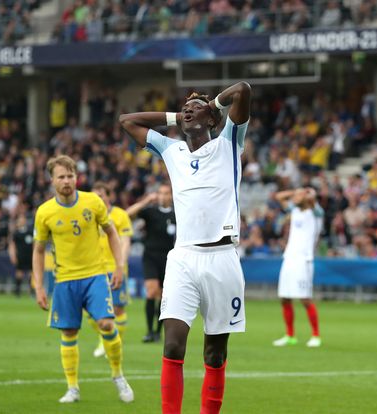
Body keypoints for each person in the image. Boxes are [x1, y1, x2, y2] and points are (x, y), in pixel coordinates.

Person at [120, 81, 252, 414]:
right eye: (186, 105)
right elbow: (127, 121)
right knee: (173, 345)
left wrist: (215, 104)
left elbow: (243, 89)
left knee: (214, 355)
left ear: (212, 118)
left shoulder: (229, 142)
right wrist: (176, 116)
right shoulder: (171, 149)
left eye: (198, 105)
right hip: (183, 259)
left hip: (222, 259)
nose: (190, 107)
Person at [31, 155, 134, 404]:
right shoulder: (44, 212)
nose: (67, 181)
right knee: (68, 332)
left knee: (107, 325)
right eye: (61, 177)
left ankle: (118, 375)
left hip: (95, 275)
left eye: (70, 176)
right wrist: (39, 286)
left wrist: (119, 266)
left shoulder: (93, 201)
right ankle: (73, 388)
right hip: (64, 279)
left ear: (76, 177)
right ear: (52, 180)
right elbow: (38, 250)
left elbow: (112, 233)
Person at [125, 183, 176, 343]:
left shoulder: (177, 215)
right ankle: (149, 331)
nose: (162, 196)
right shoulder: (151, 212)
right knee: (151, 291)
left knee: (163, 295)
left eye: (166, 193)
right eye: (160, 193)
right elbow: (127, 214)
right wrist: (146, 200)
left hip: (168, 258)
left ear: (171, 196)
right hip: (150, 256)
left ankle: (157, 332)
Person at [272, 188, 323, 348]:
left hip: (304, 260)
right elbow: (279, 196)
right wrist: (296, 192)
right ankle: (290, 335)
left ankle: (315, 335)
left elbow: (313, 200)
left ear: (308, 197)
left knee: (305, 298)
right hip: (289, 258)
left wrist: (307, 193)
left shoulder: (316, 213)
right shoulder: (294, 211)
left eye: (299, 195)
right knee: (284, 298)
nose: (295, 197)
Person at [88, 181, 133, 358]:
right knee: (90, 310)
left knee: (117, 309)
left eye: (101, 195)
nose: (98, 199)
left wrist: (119, 265)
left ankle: (114, 344)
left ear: (108, 196)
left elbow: (126, 241)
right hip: (93, 268)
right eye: (95, 196)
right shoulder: (88, 215)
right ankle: (106, 338)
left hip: (114, 267)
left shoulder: (120, 215)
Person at [8, 214, 34, 297]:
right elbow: (12, 245)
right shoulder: (16, 234)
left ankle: (31, 290)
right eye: (20, 221)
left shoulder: (30, 232)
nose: (21, 222)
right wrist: (13, 255)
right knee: (19, 272)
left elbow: (34, 244)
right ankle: (17, 290)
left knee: (31, 272)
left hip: (29, 255)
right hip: (20, 255)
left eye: (23, 221)